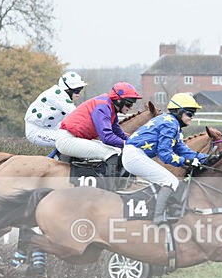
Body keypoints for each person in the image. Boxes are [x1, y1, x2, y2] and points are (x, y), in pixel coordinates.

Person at [122, 93, 209, 225]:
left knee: (168, 181)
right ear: (179, 111)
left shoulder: (173, 124)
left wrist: (208, 158)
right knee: (170, 181)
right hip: (134, 156)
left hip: (135, 155)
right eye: (190, 114)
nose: (191, 118)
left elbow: (183, 150)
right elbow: (165, 155)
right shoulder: (170, 124)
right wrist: (186, 162)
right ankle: (158, 218)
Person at [54, 82, 141, 179]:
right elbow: (107, 138)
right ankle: (110, 189)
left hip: (74, 138)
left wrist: (133, 141)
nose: (131, 107)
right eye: (129, 104)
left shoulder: (110, 107)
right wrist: (127, 144)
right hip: (68, 139)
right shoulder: (103, 106)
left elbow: (117, 132)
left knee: (116, 150)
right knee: (111, 153)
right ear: (119, 101)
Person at [24, 71, 87, 147]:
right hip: (36, 130)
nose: (79, 93)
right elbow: (76, 114)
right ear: (67, 89)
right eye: (77, 90)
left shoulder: (62, 94)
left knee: (77, 139)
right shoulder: (59, 96)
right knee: (68, 142)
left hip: (51, 127)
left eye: (81, 89)